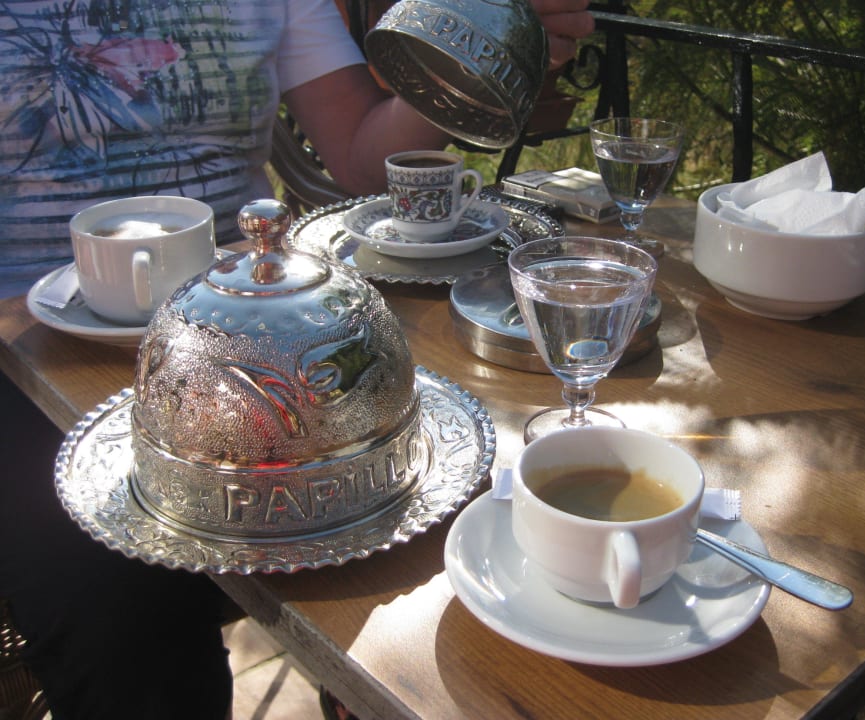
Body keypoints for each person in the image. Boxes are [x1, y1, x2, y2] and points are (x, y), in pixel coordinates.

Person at [0, 1, 594, 718]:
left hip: (261, 318)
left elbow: (357, 153)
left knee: (434, 524)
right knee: (124, 614)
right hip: (25, 347)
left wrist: (485, 52)